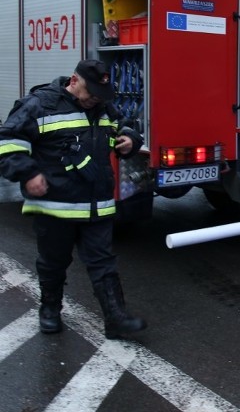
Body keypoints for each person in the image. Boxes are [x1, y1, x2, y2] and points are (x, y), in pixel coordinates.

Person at [0, 59, 147, 339]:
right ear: (74, 80)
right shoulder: (39, 104)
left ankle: (116, 319)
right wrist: (28, 173)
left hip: (97, 205)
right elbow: (7, 141)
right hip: (55, 208)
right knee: (53, 263)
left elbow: (125, 126)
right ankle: (50, 311)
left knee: (103, 263)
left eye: (100, 94)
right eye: (90, 92)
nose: (94, 99)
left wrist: (129, 139)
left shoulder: (102, 106)